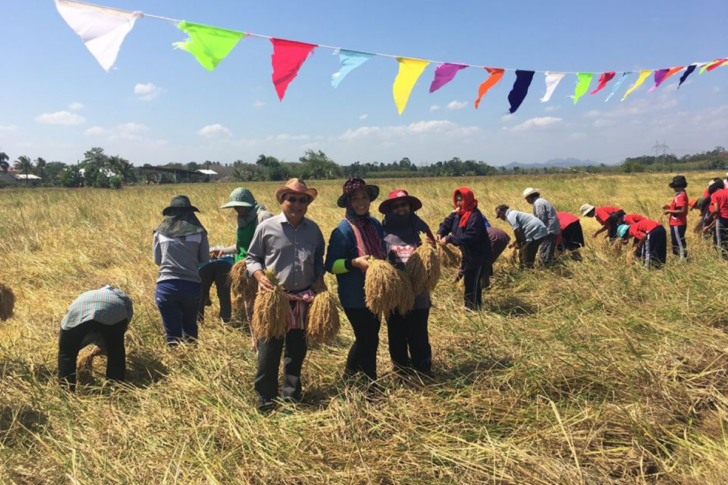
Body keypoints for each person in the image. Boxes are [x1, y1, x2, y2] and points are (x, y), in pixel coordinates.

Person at [246, 178, 326, 411]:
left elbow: (319, 259)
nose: (297, 204)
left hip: (303, 298)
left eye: (303, 200)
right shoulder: (266, 227)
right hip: (274, 299)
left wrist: (319, 277)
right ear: (282, 200)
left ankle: (291, 396)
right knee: (269, 350)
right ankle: (266, 399)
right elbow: (252, 258)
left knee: (296, 350)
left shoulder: (313, 230)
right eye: (292, 198)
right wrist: (260, 278)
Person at [325, 177, 386, 383]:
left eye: (364, 197)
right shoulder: (342, 231)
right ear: (349, 203)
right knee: (368, 339)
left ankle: (349, 377)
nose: (361, 202)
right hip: (354, 296)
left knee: (367, 338)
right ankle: (370, 385)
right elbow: (331, 265)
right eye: (355, 198)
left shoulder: (374, 224)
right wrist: (354, 263)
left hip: (375, 294)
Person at [379, 189, 435, 376]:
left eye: (404, 204)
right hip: (395, 294)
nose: (400, 209)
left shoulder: (419, 228)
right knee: (396, 335)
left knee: (419, 332)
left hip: (419, 293)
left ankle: (423, 368)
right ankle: (401, 370)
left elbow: (431, 251)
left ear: (410, 207)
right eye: (396, 206)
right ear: (390, 210)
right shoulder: (382, 231)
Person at [206, 188, 273, 324]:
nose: (237, 209)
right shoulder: (242, 218)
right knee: (248, 304)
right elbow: (240, 247)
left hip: (258, 269)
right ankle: (255, 337)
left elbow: (271, 246)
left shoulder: (263, 217)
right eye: (235, 206)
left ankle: (263, 337)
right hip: (243, 269)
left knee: (262, 305)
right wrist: (223, 251)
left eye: (240, 205)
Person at [153, 195, 209, 347]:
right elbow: (205, 259)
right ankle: (191, 359)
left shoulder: (159, 233)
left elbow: (157, 260)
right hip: (191, 287)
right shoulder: (200, 232)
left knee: (172, 333)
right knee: (190, 327)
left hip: (166, 287)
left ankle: (176, 360)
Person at [58, 285, 133, 392]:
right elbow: (123, 324)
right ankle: (115, 388)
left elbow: (67, 340)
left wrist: (67, 349)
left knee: (67, 354)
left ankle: (65, 391)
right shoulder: (122, 298)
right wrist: (105, 344)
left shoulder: (86, 295)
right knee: (115, 352)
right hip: (113, 310)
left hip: (77, 311)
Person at [437, 188, 492, 310]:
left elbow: (470, 236)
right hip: (467, 254)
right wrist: (441, 232)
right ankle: (469, 307)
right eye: (456, 200)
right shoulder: (458, 214)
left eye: (461, 200)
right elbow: (446, 223)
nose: (458, 203)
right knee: (468, 282)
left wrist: (450, 239)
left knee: (474, 283)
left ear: (468, 200)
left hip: (478, 255)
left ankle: (475, 309)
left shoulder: (475, 216)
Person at [495, 204, 548, 269]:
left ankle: (528, 272)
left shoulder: (511, 215)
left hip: (536, 233)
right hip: (536, 232)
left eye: (500, 216)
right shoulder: (513, 214)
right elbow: (520, 232)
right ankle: (525, 270)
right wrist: (516, 242)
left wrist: (518, 243)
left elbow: (517, 230)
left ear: (502, 213)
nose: (501, 219)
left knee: (526, 255)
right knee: (523, 252)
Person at [523, 188, 560, 265]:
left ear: (530, 197)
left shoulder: (538, 203)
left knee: (545, 252)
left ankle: (546, 267)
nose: (527, 201)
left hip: (549, 230)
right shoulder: (541, 201)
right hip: (552, 229)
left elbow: (540, 219)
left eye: (526, 199)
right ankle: (550, 265)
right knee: (548, 250)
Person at [662, 175, 689, 260]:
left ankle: (682, 258)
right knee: (676, 240)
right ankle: (678, 257)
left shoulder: (680, 196)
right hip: (676, 222)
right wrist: (670, 208)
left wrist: (669, 211)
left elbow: (682, 210)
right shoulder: (680, 195)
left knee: (679, 241)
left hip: (678, 222)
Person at [708, 179, 728, 258]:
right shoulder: (727, 191)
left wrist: (709, 217)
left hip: (721, 219)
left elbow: (716, 210)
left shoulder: (715, 195)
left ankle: (722, 258)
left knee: (719, 240)